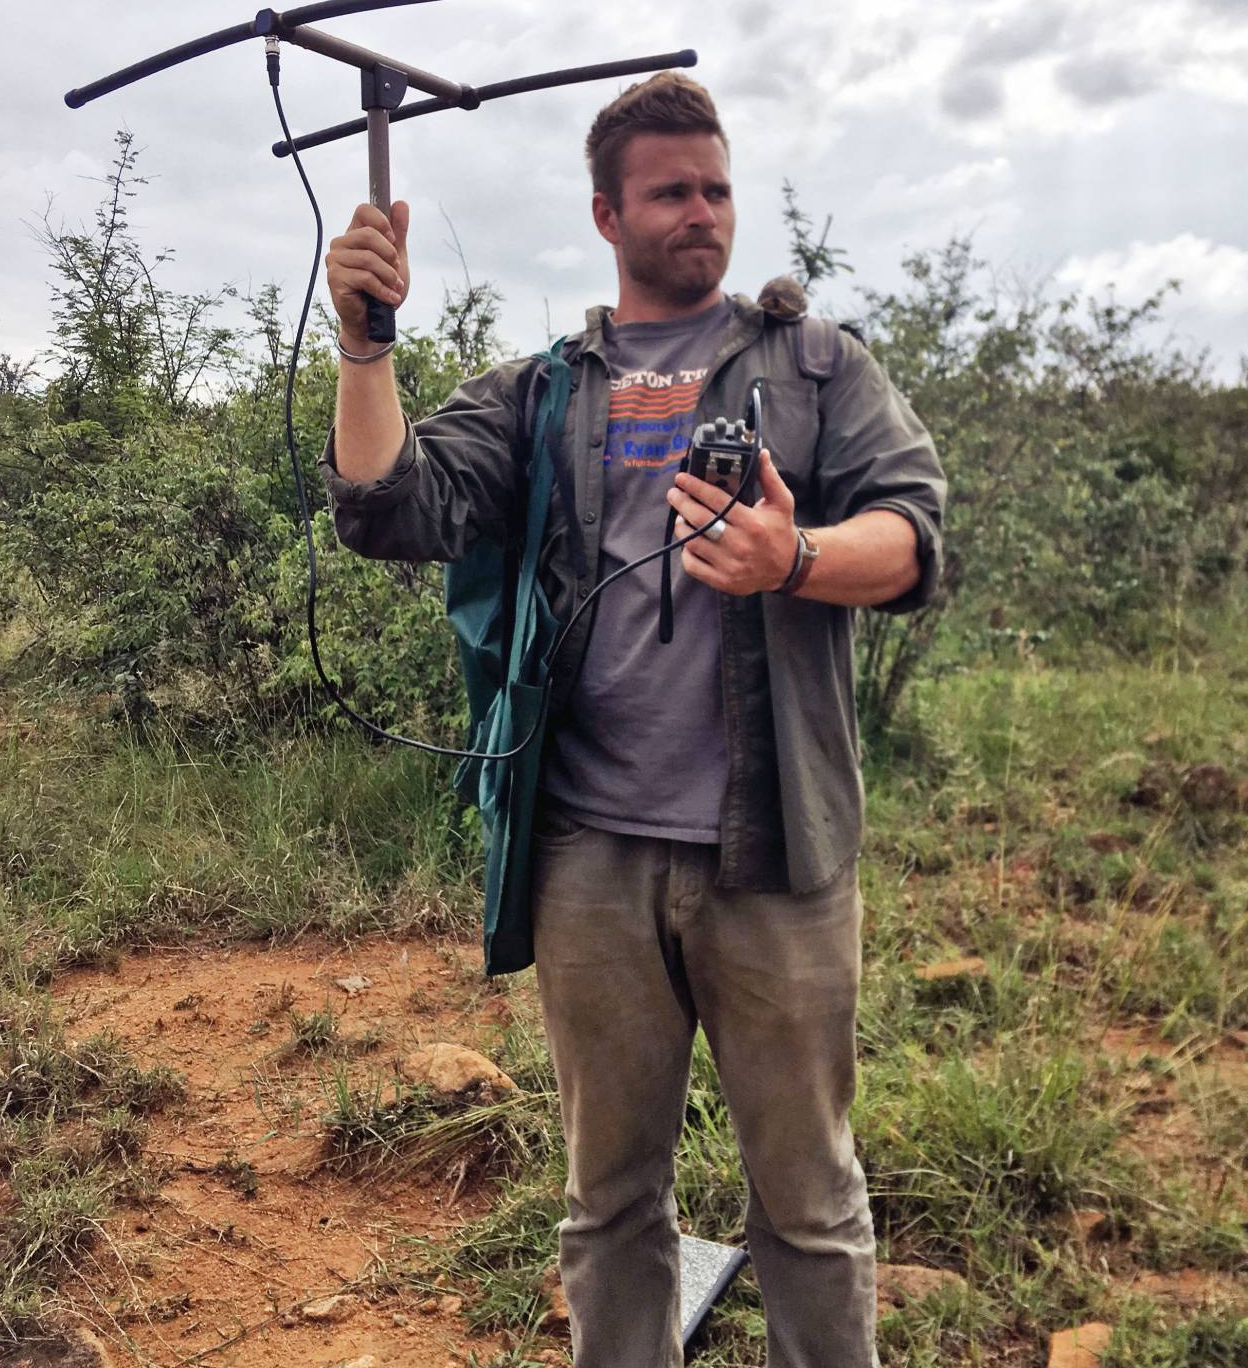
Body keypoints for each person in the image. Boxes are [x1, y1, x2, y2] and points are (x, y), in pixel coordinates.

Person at [320, 72, 946, 1368]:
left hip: (779, 853)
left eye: (716, 188)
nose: (702, 212)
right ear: (607, 215)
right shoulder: (543, 392)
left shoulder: (817, 367)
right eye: (670, 193)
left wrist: (794, 557)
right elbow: (391, 506)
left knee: (811, 1202)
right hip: (590, 857)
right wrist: (365, 349)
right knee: (609, 1203)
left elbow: (913, 537)